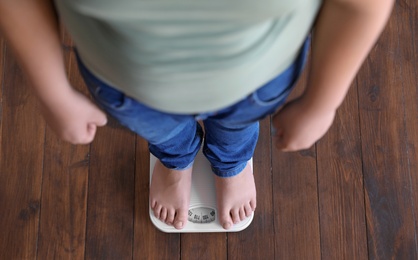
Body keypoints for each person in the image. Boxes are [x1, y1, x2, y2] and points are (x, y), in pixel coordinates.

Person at [0, 0, 394, 230]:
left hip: (256, 79)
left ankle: (231, 164)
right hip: (127, 85)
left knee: (237, 127)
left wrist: (322, 104)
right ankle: (176, 161)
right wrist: (51, 93)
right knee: (165, 134)